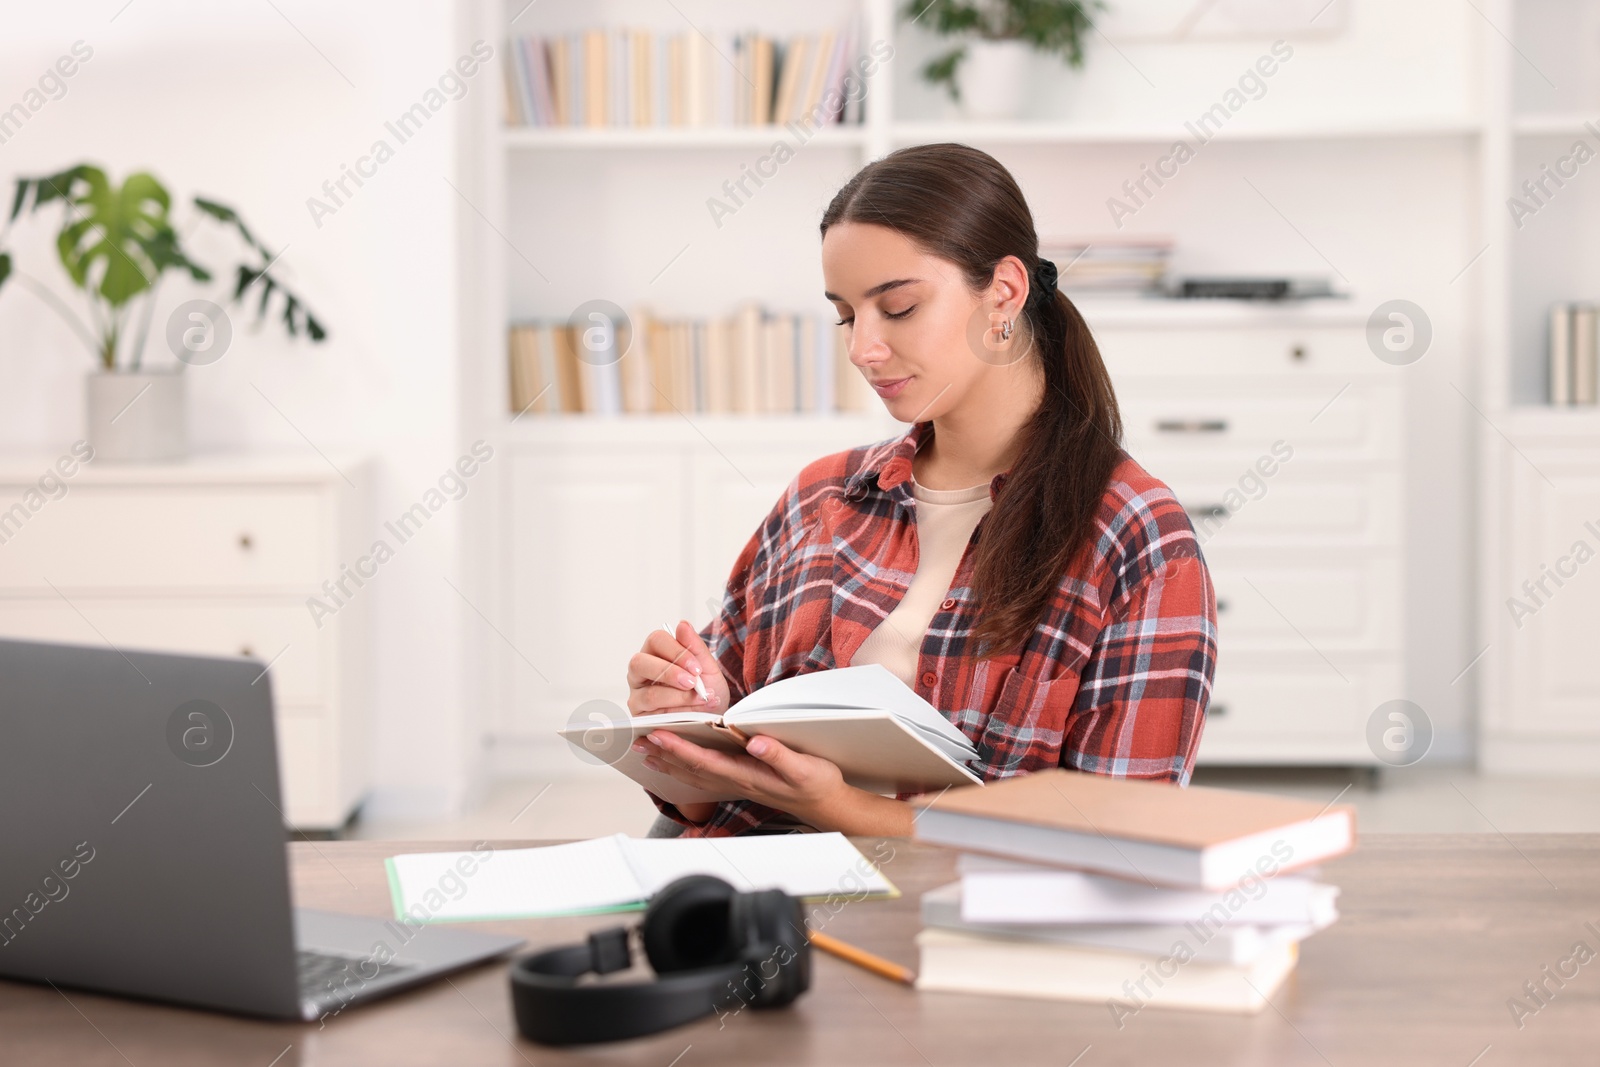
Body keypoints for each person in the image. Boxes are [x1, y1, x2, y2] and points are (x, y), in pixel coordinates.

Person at [624, 142, 1217, 838]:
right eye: (846, 315)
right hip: (753, 904)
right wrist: (687, 717)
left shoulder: (1137, 539)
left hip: (957, 930)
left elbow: (1118, 840)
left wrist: (840, 808)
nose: (861, 348)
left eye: (898, 307)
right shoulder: (824, 498)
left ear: (1004, 292)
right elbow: (704, 799)